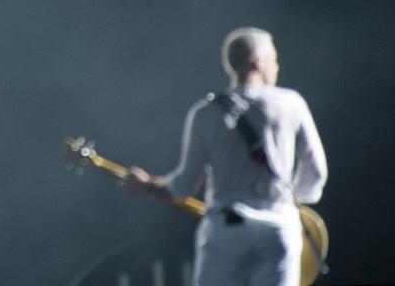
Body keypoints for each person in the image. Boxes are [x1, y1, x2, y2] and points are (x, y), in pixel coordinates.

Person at [126, 27, 328, 286]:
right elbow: (317, 173)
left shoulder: (205, 113)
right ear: (258, 62)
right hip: (278, 229)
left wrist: (148, 185)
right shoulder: (292, 103)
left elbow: (184, 185)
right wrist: (292, 199)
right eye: (274, 60)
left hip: (227, 232)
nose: (276, 67)